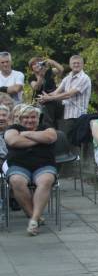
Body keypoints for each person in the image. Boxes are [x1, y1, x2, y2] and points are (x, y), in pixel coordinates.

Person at [3, 104, 57, 235]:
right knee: (16, 181)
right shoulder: (13, 129)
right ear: (20, 119)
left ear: (38, 118)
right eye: (26, 117)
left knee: (46, 180)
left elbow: (50, 137)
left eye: (33, 117)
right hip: (18, 165)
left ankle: (33, 220)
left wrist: (27, 134)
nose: (30, 120)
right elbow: (14, 141)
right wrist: (40, 139)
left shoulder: (46, 127)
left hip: (44, 164)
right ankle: (34, 215)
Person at [36, 55, 91, 136]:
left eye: (78, 63)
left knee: (67, 139)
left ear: (82, 65)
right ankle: (48, 129)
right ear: (70, 65)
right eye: (74, 63)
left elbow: (69, 95)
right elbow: (55, 93)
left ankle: (49, 129)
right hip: (65, 113)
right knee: (46, 103)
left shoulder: (84, 78)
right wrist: (43, 98)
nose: (76, 65)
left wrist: (49, 98)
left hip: (76, 114)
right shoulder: (67, 78)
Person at [28, 57, 64, 128]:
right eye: (34, 64)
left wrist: (52, 62)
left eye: (38, 63)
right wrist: (40, 77)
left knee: (58, 121)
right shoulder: (32, 77)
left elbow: (61, 70)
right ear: (31, 67)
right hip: (42, 102)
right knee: (46, 123)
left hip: (54, 99)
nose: (37, 65)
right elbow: (36, 88)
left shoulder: (49, 72)